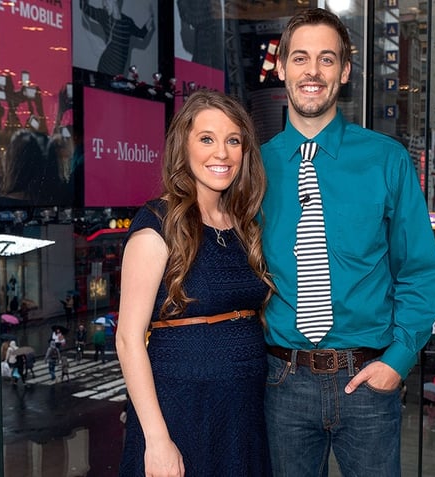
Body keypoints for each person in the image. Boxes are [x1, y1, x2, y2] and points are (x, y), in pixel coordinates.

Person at [259, 8, 435, 475]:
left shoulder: (387, 160)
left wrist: (398, 362)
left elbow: (419, 271)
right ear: (281, 68)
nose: (312, 72)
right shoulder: (252, 169)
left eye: (327, 59)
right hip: (282, 381)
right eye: (300, 58)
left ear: (343, 71)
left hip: (368, 380)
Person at [115, 90, 273, 476]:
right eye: (207, 139)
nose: (221, 153)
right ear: (182, 147)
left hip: (243, 412)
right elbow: (127, 338)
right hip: (182, 409)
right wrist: (156, 439)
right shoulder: (158, 224)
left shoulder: (243, 223)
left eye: (232, 140)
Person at [79, 0, 155, 76]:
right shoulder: (104, 16)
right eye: (103, 1)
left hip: (118, 73)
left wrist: (151, 17)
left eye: (106, 1)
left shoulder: (128, 22)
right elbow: (84, 7)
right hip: (104, 70)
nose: (104, 4)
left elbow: (141, 34)